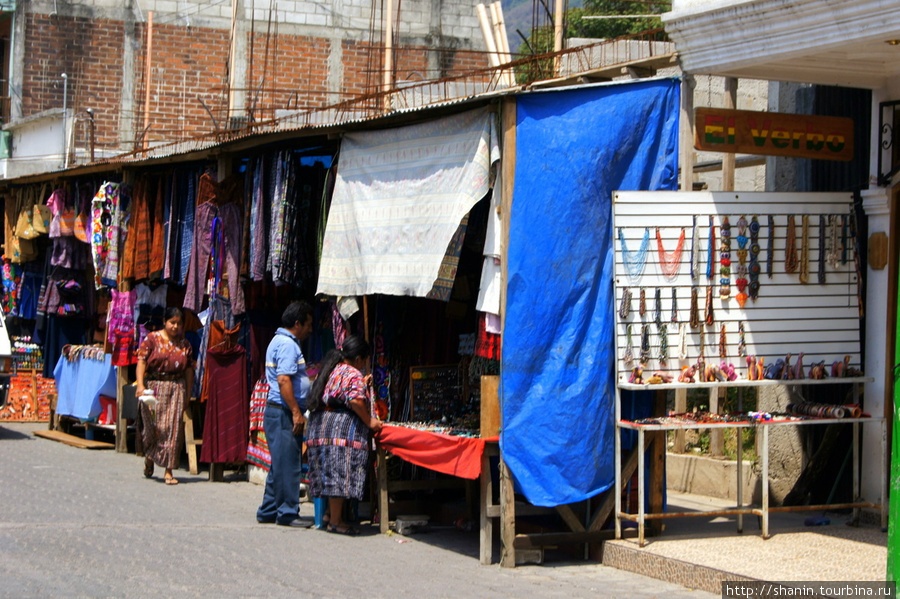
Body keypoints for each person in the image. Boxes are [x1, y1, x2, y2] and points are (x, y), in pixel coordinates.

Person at [306, 334, 383, 535]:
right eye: (364, 360)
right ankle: (336, 521)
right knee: (340, 474)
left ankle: (329, 515)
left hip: (321, 427)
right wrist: (369, 421)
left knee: (330, 472)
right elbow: (356, 401)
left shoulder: (332, 369)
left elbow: (342, 394)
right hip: (340, 430)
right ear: (358, 359)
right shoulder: (353, 374)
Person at [256, 300, 315, 527]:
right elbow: (283, 380)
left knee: (279, 463)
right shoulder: (288, 345)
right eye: (308, 325)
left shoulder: (278, 341)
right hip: (282, 411)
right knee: (289, 464)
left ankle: (268, 509)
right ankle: (287, 513)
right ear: (297, 323)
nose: (310, 330)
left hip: (278, 411)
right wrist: (296, 413)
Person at [136, 307, 195, 485]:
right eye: (172, 322)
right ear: (165, 321)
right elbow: (141, 361)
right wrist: (140, 385)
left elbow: (189, 371)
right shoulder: (152, 339)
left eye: (179, 323)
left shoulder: (185, 345)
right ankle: (150, 455)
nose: (176, 327)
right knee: (152, 427)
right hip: (154, 388)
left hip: (176, 388)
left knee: (172, 429)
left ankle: (168, 470)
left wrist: (188, 393)